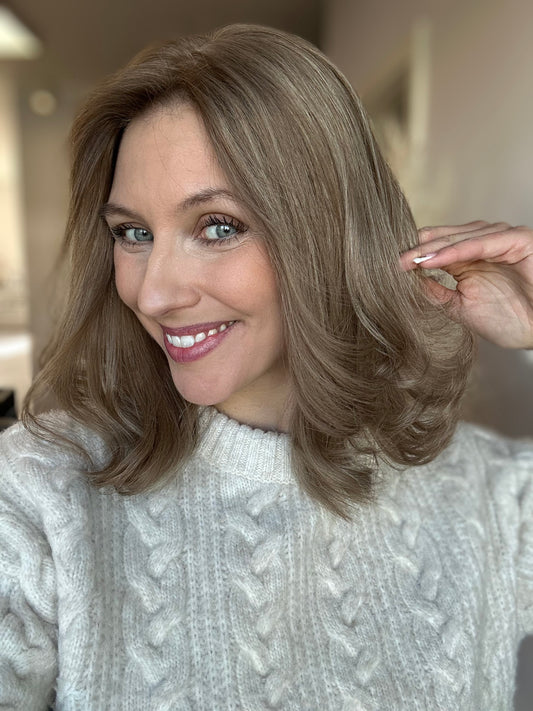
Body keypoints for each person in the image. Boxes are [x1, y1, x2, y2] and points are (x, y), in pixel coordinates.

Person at [1, 23, 532, 711]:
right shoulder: (40, 492)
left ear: (329, 235)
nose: (153, 293)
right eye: (132, 233)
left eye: (217, 227)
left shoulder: (490, 496)